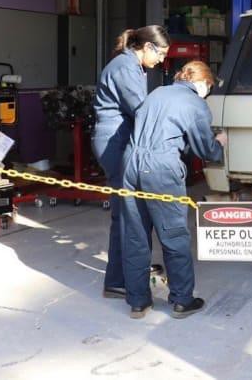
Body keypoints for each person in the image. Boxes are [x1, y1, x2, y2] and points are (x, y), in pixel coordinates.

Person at [120, 61, 227, 319]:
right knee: (174, 234)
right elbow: (205, 150)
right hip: (161, 167)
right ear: (202, 83)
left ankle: (138, 302)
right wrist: (220, 143)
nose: (207, 93)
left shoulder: (157, 92)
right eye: (209, 88)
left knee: (135, 235)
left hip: (130, 164)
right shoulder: (195, 103)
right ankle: (182, 300)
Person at [92, 26, 169, 299]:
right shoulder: (125, 67)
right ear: (147, 47)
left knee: (126, 212)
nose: (162, 60)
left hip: (118, 140)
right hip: (115, 142)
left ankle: (123, 274)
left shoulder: (132, 66)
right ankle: (121, 279)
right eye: (160, 53)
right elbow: (141, 110)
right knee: (129, 213)